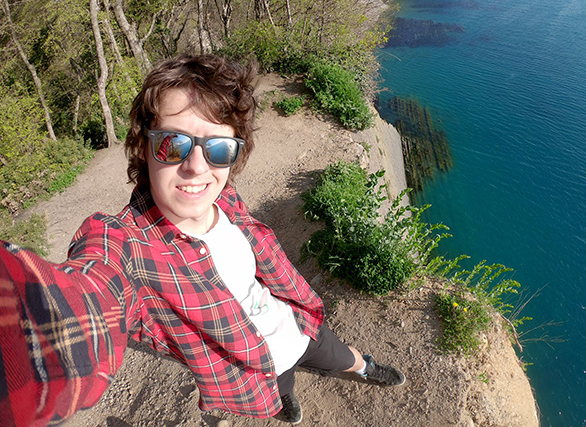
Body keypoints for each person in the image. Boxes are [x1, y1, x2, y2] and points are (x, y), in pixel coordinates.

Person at [0, 54, 405, 427]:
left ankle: (365, 368)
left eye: (218, 148)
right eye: (172, 144)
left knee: (342, 356)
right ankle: (284, 399)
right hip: (252, 366)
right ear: (143, 148)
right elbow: (81, 300)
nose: (196, 167)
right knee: (280, 388)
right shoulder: (127, 247)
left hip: (296, 325)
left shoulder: (225, 199)